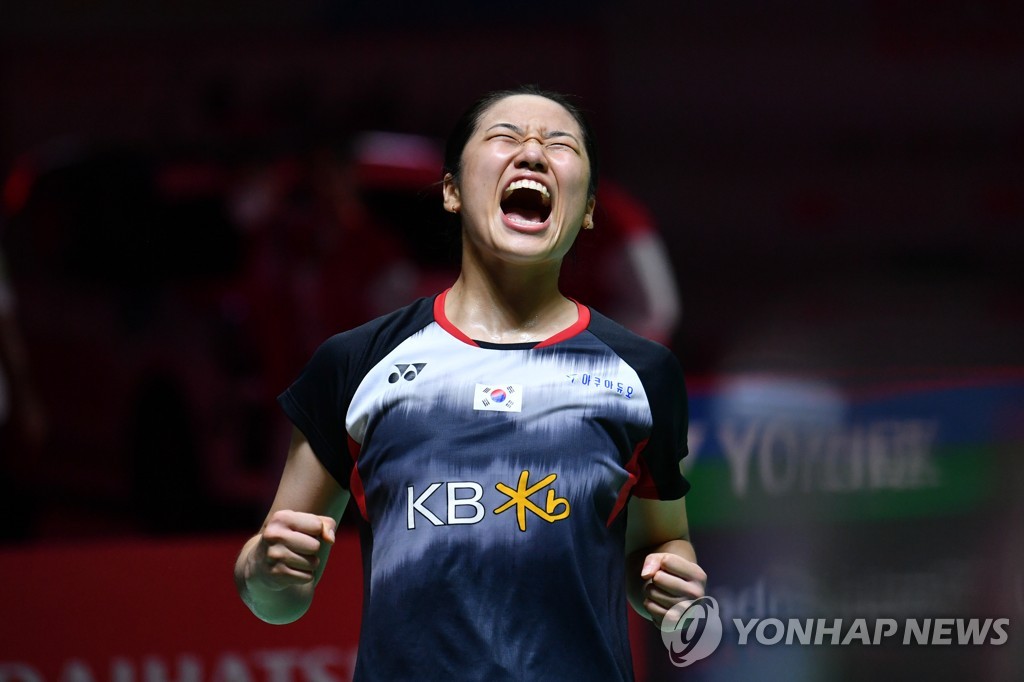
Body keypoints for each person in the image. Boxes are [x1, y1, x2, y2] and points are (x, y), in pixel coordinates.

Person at [234, 85, 706, 681]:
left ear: (586, 209)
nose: (532, 152)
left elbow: (661, 546)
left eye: (560, 145)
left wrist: (671, 585)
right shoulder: (355, 364)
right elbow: (273, 599)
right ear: (452, 190)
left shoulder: (643, 373)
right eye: (505, 137)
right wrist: (267, 572)